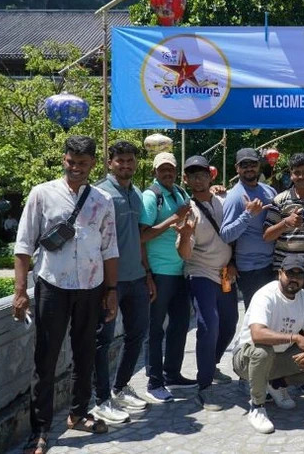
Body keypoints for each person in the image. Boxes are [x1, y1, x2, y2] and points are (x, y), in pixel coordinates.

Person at [13, 135, 118, 454]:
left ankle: (78, 413)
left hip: (91, 287)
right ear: (64, 159)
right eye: (71, 162)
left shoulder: (102, 199)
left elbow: (109, 247)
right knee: (45, 359)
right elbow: (23, 244)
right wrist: (20, 291)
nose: (76, 168)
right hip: (52, 287)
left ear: (92, 165)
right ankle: (40, 430)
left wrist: (111, 290)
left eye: (83, 164)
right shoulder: (42, 194)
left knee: (85, 355)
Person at [231, 254, 304, 434]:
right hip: (246, 358)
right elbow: (257, 334)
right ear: (280, 273)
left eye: (299, 275)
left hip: (278, 356)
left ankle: (277, 384)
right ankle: (257, 406)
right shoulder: (265, 295)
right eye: (289, 274)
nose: (294, 279)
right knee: (262, 352)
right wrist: (294, 338)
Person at [91, 141, 154, 424]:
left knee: (137, 335)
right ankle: (101, 398)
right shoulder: (100, 193)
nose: (126, 166)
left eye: (130, 161)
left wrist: (147, 272)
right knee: (102, 341)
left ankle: (121, 386)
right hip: (108, 282)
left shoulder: (135, 193)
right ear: (109, 162)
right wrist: (106, 286)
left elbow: (138, 237)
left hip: (136, 278)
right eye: (121, 161)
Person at [174, 155, 239, 411]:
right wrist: (186, 234)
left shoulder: (224, 201)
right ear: (186, 179)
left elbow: (235, 232)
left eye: (202, 173)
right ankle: (204, 386)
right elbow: (185, 254)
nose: (198, 178)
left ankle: (210, 365)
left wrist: (233, 261)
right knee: (207, 324)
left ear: (211, 176)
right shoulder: (185, 211)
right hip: (200, 271)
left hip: (225, 272)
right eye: (192, 174)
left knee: (230, 324)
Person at [140, 151, 196, 402]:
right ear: (155, 171)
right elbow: (142, 236)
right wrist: (174, 218)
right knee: (155, 329)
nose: (167, 173)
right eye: (162, 169)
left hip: (180, 270)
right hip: (159, 272)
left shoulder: (180, 193)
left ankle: (172, 373)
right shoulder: (151, 197)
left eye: (170, 169)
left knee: (180, 325)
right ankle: (154, 382)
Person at [264, 153, 304, 313]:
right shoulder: (279, 200)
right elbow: (267, 235)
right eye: (297, 172)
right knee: (283, 316)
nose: (301, 176)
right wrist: (285, 223)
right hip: (285, 270)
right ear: (291, 174)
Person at [220, 148, 278, 309]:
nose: (249, 168)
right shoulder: (234, 197)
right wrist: (247, 214)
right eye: (244, 165)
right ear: (237, 168)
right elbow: (225, 235)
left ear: (259, 166)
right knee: (256, 319)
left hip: (272, 265)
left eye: (252, 164)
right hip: (250, 270)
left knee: (273, 317)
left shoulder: (269, 191)